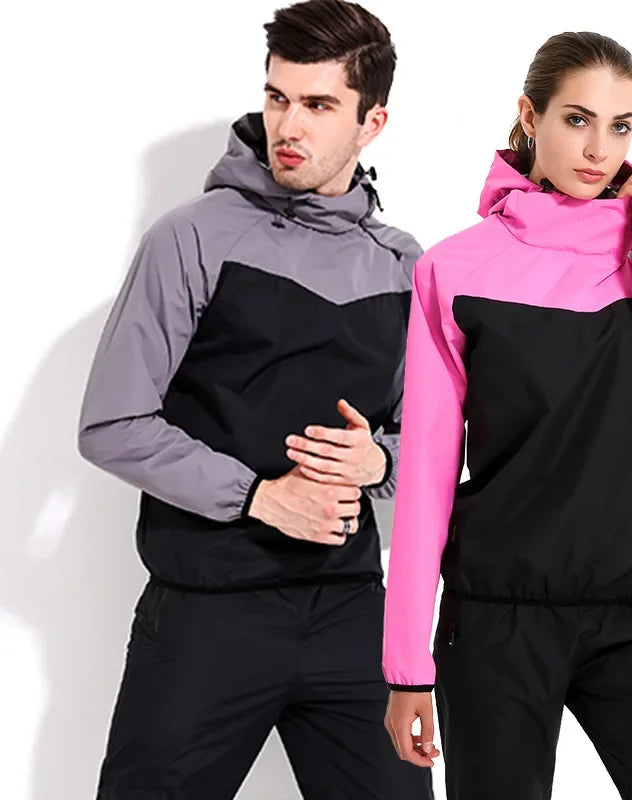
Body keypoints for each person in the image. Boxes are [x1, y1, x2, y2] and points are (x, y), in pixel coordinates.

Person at [78, 1, 433, 797]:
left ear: (372, 122)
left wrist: (379, 461)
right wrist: (260, 498)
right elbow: (112, 423)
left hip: (349, 611)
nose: (288, 126)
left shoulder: (404, 266)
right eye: (278, 97)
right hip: (207, 611)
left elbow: (436, 446)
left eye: (318, 105)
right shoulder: (192, 238)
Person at [382, 30, 632, 800]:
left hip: (627, 615)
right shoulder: (455, 268)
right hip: (493, 622)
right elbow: (427, 473)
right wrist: (407, 667)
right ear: (530, 115)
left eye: (621, 126)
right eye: (578, 119)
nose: (600, 149)